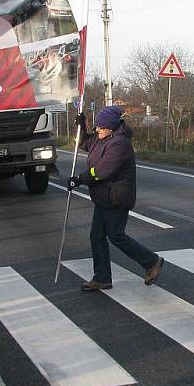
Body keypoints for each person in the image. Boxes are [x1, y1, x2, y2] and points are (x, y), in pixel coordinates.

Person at [67, 106, 164, 291]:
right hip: (103, 197)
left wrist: (79, 179)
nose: (97, 130)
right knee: (96, 237)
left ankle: (152, 261)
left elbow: (102, 170)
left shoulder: (120, 144)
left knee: (116, 235)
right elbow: (83, 142)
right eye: (96, 127)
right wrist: (81, 126)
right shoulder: (101, 139)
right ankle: (102, 278)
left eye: (100, 127)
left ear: (111, 127)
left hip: (116, 198)